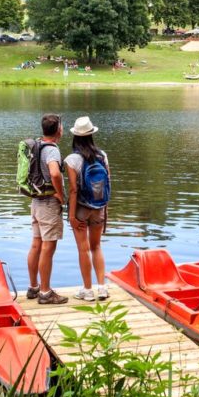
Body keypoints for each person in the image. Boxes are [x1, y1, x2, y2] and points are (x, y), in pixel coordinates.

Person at [64, 116, 110, 301]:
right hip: (99, 207)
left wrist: (72, 215)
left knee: (83, 249)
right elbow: (108, 183)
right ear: (91, 135)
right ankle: (102, 288)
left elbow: (73, 190)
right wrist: (106, 210)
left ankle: (87, 290)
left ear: (75, 136)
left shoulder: (71, 159)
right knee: (96, 246)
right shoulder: (103, 155)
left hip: (81, 208)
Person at [26, 114, 69, 304]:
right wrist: (60, 194)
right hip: (49, 204)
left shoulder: (37, 145)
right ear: (58, 130)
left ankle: (34, 287)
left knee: (36, 244)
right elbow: (54, 173)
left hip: (35, 202)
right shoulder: (52, 150)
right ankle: (45, 292)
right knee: (48, 247)